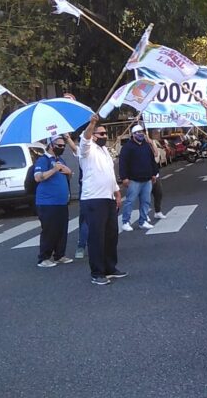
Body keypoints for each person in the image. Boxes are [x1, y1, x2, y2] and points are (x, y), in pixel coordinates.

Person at [78, 115, 125, 285]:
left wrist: (117, 193)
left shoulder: (105, 151)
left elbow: (110, 175)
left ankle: (110, 268)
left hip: (108, 198)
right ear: (93, 135)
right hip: (93, 199)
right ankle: (97, 272)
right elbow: (86, 138)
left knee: (111, 235)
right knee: (97, 237)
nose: (105, 135)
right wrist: (91, 123)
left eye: (106, 133)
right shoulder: (85, 149)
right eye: (101, 133)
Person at [34, 136, 74, 268]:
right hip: (47, 202)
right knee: (49, 230)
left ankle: (59, 254)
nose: (62, 148)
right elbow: (38, 177)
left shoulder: (60, 159)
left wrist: (69, 172)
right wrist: (54, 170)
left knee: (61, 229)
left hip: (61, 202)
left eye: (63, 146)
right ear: (51, 145)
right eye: (59, 145)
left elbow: (66, 173)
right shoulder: (43, 160)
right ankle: (44, 257)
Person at [119, 124, 160, 231]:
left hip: (147, 179)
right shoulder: (127, 147)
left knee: (146, 201)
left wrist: (154, 173)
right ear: (133, 135)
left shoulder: (146, 145)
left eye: (142, 132)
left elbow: (152, 160)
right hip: (134, 180)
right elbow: (123, 163)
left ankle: (143, 221)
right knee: (130, 201)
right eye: (138, 132)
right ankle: (126, 221)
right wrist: (124, 177)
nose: (140, 134)